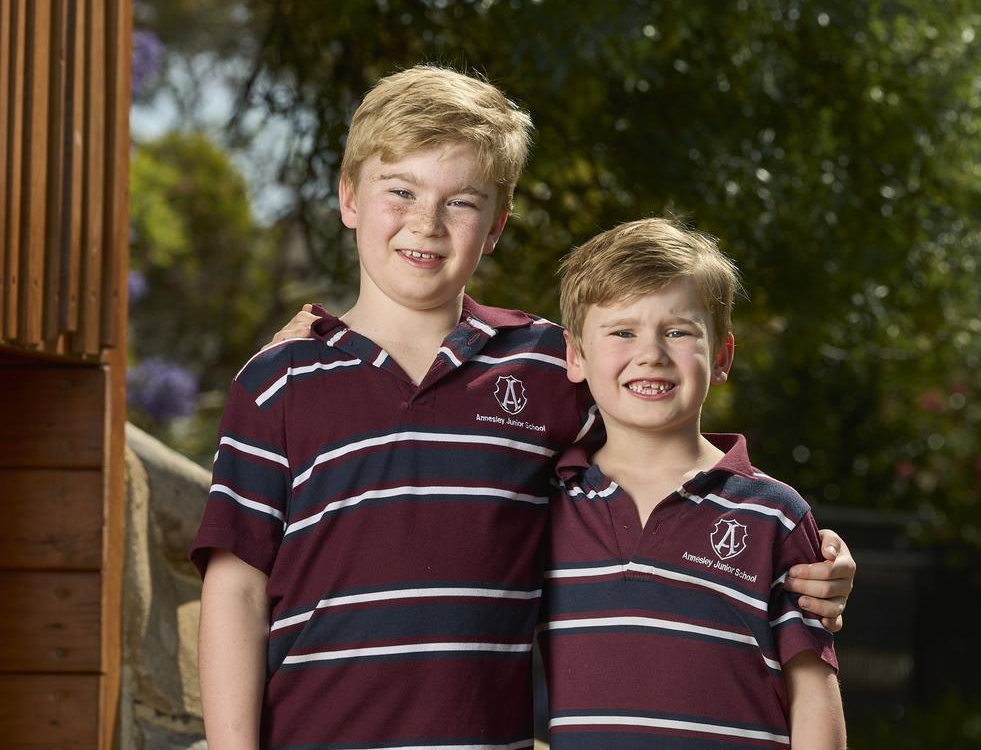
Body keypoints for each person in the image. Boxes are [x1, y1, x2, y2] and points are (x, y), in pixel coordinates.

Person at [192, 65, 854, 749]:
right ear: (350, 197)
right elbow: (237, 590)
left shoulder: (545, 366)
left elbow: (662, 454)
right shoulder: (277, 381)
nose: (426, 221)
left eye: (461, 202)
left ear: (497, 225)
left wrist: (809, 553)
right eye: (401, 191)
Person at [538, 217, 845, 749]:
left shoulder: (775, 514)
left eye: (677, 331)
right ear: (576, 355)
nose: (651, 353)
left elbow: (813, 689)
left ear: (721, 356)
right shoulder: (545, 504)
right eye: (622, 331)